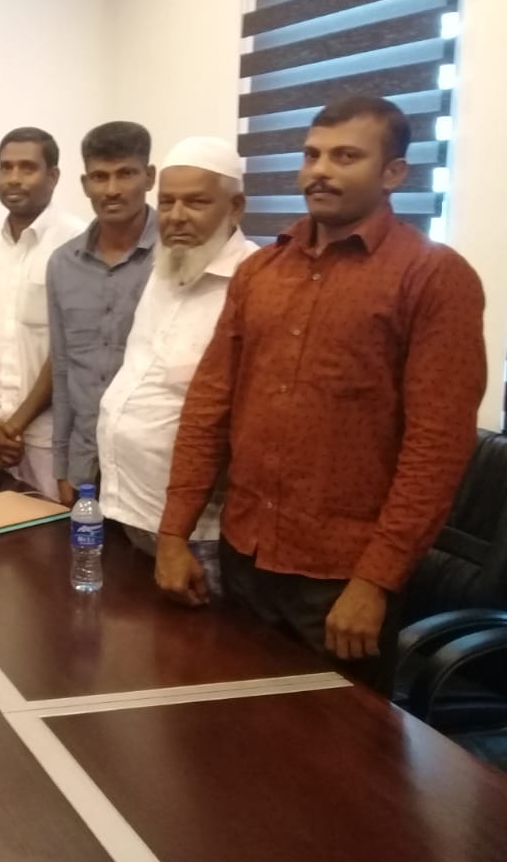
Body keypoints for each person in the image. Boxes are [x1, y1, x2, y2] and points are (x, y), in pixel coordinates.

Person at [156, 97, 486, 694]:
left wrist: (375, 583)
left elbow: (436, 448)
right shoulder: (261, 271)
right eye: (311, 155)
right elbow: (209, 407)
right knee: (232, 722)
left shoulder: (433, 276)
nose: (320, 171)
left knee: (336, 746)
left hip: (341, 581)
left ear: (393, 173)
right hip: (244, 554)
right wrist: (174, 533)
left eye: (346, 157)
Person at [96, 137, 258, 593]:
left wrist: (177, 535)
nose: (176, 216)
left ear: (236, 207)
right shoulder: (168, 268)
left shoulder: (254, 282)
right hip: (129, 509)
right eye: (167, 202)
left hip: (198, 535)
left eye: (196, 202)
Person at [0, 127, 81, 498]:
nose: (14, 178)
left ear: (53, 176)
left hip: (53, 439)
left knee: (56, 533)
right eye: (6, 168)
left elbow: (70, 348)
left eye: (27, 168)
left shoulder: (78, 242)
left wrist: (16, 424)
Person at [47, 121, 158, 505]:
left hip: (151, 468)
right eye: (99, 176)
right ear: (84, 184)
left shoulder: (176, 256)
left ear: (149, 177)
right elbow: (63, 369)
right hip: (86, 465)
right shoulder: (62, 264)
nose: (111, 189)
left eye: (125, 174)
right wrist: (62, 465)